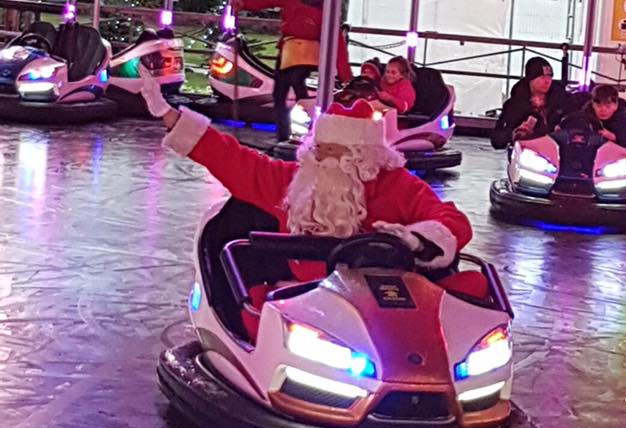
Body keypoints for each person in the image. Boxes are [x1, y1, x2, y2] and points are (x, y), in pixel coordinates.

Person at [139, 69, 472, 287]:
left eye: (333, 152)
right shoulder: (294, 181)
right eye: (319, 149)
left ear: (362, 157)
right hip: (306, 297)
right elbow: (231, 158)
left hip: (384, 299)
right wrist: (168, 114)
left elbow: (451, 221)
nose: (322, 159)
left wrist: (415, 240)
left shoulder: (399, 187)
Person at [234, 0, 353, 141]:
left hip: (309, 55)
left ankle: (309, 131)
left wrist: (345, 74)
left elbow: (336, 41)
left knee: (299, 87)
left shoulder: (327, 8)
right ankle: (283, 135)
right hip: (289, 50)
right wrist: (244, 4)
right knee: (279, 94)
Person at [490, 57, 573, 149]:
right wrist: (514, 134)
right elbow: (497, 140)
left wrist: (563, 130)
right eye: (542, 77)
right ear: (531, 79)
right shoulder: (514, 105)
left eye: (550, 77)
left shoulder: (562, 101)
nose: (547, 81)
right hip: (527, 151)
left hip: (558, 151)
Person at [560, 83, 626, 153]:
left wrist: (614, 137)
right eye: (599, 106)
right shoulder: (584, 114)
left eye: (608, 106)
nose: (603, 110)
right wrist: (561, 127)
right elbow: (571, 122)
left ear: (615, 106)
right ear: (593, 105)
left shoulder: (624, 118)